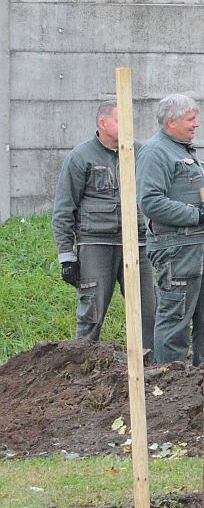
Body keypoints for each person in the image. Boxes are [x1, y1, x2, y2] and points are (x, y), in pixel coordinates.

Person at [52, 101, 154, 347]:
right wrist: (66, 256)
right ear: (103, 123)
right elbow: (64, 209)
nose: (127, 126)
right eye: (120, 121)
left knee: (149, 310)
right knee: (92, 312)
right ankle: (83, 360)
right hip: (96, 245)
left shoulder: (140, 153)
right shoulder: (81, 157)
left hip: (138, 244)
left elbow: (155, 196)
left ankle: (151, 363)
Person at [137, 94, 204, 367]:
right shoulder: (156, 152)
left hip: (200, 246)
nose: (196, 124)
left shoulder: (185, 151)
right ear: (171, 122)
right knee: (175, 318)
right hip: (177, 249)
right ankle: (170, 381)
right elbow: (150, 201)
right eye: (191, 119)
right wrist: (197, 214)